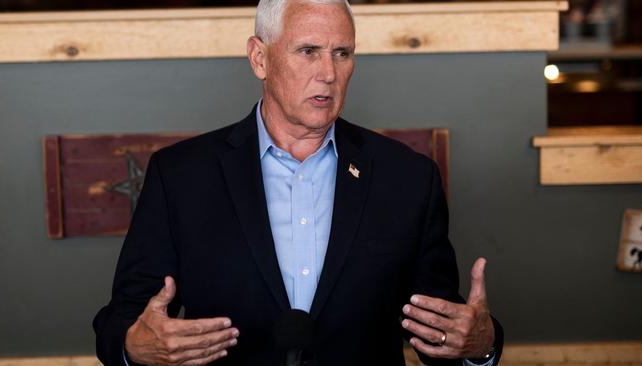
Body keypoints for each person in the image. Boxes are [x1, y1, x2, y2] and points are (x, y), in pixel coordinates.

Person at [93, 0, 504, 365]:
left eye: (342, 53)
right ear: (259, 58)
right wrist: (134, 345)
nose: (328, 73)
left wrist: (480, 346)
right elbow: (123, 321)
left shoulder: (408, 177)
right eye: (308, 51)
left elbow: (443, 332)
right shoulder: (181, 175)